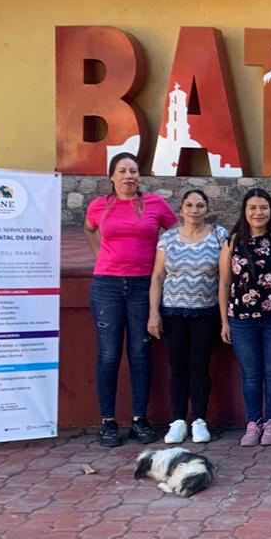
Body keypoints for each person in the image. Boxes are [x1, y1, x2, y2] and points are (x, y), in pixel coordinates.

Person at [84, 153, 178, 448]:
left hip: (143, 285)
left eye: (134, 171)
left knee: (140, 353)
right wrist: (100, 255)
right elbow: (89, 229)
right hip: (107, 286)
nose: (129, 176)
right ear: (112, 176)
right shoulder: (99, 206)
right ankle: (108, 421)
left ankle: (140, 418)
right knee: (109, 354)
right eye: (122, 171)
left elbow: (175, 234)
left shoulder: (155, 204)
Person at [148, 189, 228, 445]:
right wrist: (154, 313)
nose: (194, 210)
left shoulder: (219, 235)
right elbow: (158, 276)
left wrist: (224, 317)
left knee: (199, 366)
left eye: (200, 205)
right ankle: (178, 421)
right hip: (174, 312)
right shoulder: (168, 238)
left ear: (207, 210)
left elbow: (225, 277)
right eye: (189, 205)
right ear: (181, 210)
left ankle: (200, 420)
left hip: (206, 312)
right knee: (178, 367)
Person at [219, 187, 271, 448]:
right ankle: (253, 422)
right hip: (242, 317)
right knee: (250, 373)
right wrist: (224, 321)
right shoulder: (232, 242)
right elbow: (224, 283)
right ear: (244, 211)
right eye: (252, 208)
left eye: (263, 207)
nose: (258, 212)